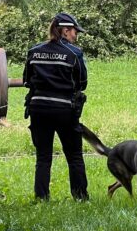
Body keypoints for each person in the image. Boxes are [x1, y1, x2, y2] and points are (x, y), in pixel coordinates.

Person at [23, 13, 89, 201]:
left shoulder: (34, 51)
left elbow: (27, 80)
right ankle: (80, 197)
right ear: (65, 30)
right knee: (74, 156)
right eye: (75, 31)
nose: (76, 36)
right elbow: (82, 83)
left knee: (43, 157)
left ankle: (41, 197)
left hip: (38, 109)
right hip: (64, 110)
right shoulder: (74, 54)